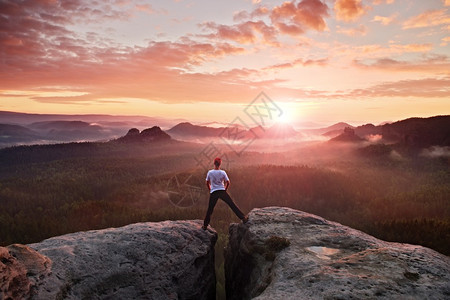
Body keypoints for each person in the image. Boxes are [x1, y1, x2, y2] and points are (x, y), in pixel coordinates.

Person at [202, 157, 248, 230]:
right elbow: (228, 182)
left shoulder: (210, 172)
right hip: (222, 190)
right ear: (220, 164)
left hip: (214, 192)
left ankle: (205, 226)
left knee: (210, 209)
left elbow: (207, 182)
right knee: (231, 204)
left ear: (214, 163)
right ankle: (243, 218)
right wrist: (225, 189)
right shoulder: (223, 172)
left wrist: (210, 189)